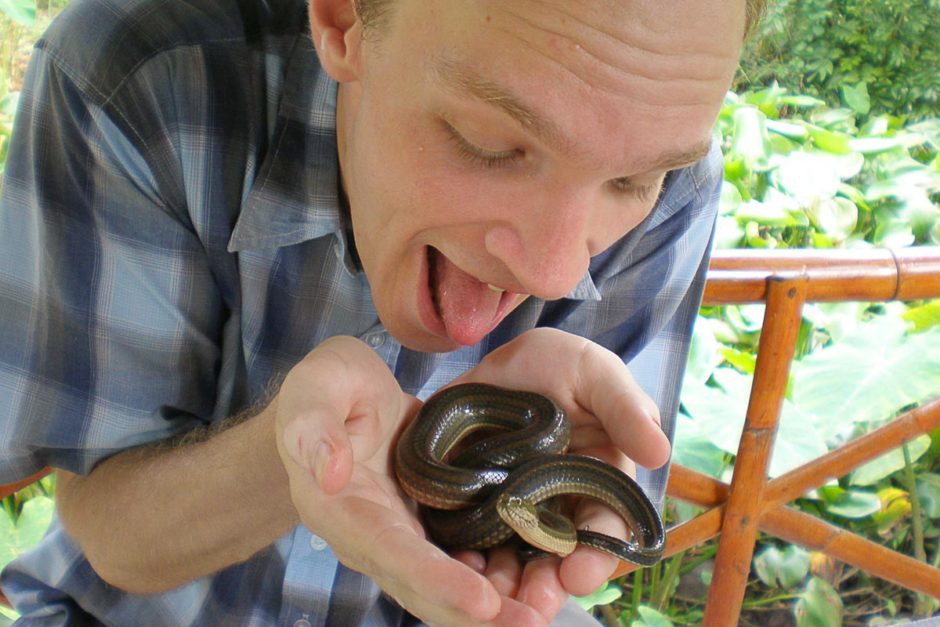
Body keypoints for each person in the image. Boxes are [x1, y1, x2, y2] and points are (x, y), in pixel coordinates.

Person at [0, 0, 758, 624]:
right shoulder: (141, 81)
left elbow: (563, 550)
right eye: (487, 142)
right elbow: (112, 537)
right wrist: (291, 450)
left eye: (632, 180)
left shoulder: (679, 175)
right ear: (342, 20)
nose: (557, 272)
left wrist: (545, 498)